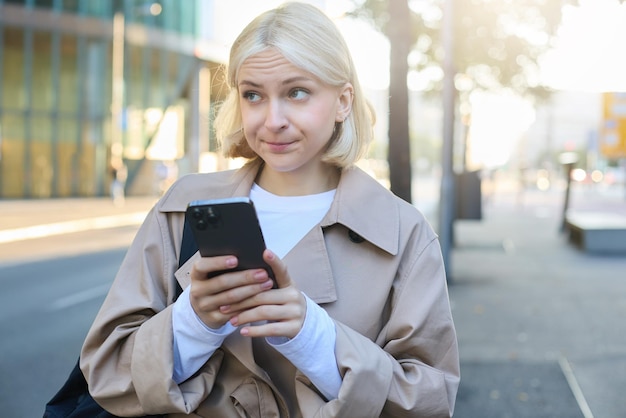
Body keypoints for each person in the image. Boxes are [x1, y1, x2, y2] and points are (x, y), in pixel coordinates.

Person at [80, 2, 460, 417]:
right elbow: (107, 375)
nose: (272, 120)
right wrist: (193, 321)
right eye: (253, 95)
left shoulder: (403, 232)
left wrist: (314, 338)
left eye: (297, 92)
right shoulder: (184, 208)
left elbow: (430, 401)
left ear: (343, 101)